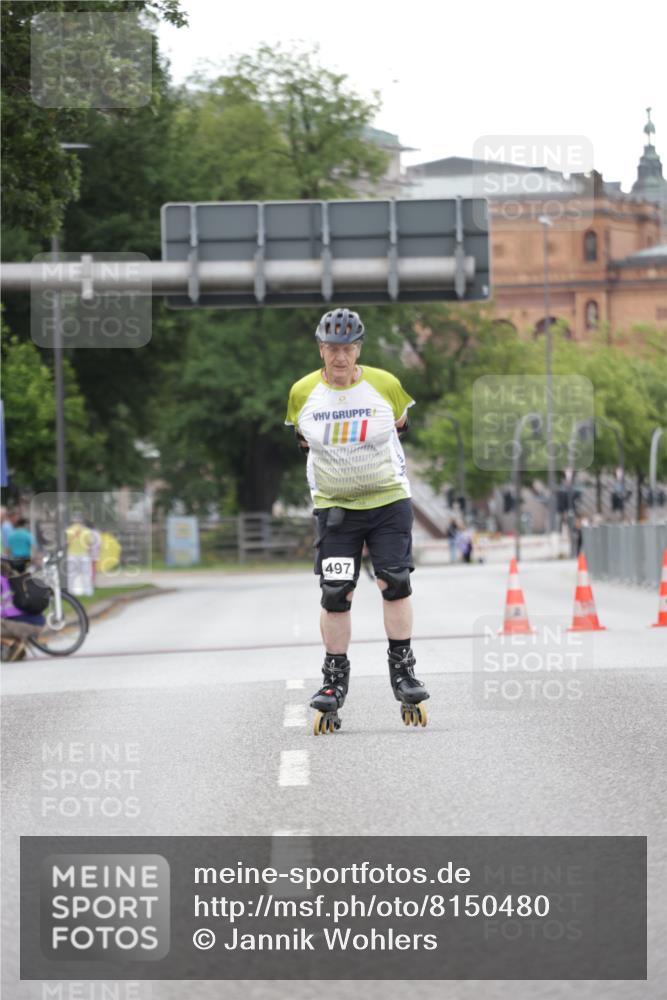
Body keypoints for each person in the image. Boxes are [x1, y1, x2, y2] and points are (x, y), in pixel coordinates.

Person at [285, 307, 430, 733]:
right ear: (321, 349)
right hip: (335, 507)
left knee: (395, 581)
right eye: (332, 349)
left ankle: (403, 672)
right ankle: (333, 682)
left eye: (347, 348)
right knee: (336, 592)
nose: (340, 358)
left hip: (388, 501)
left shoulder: (385, 385)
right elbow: (301, 440)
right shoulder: (302, 393)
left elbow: (401, 424)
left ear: (358, 349)